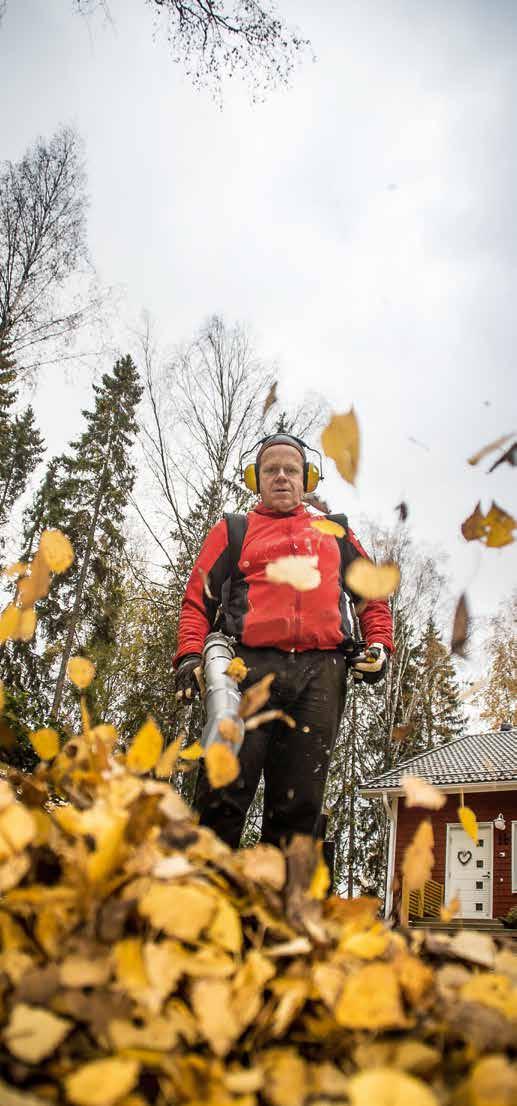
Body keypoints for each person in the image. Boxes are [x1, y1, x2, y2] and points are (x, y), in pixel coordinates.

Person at [173, 434, 394, 849]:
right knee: (223, 791)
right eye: (270, 469)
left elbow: (371, 596)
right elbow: (195, 600)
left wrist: (379, 645)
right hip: (247, 670)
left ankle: (275, 910)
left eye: (290, 470)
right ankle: (204, 901)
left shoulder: (335, 532)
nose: (281, 477)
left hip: (321, 676)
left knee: (299, 807)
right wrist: (188, 655)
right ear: (255, 479)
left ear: (306, 478)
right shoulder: (233, 530)